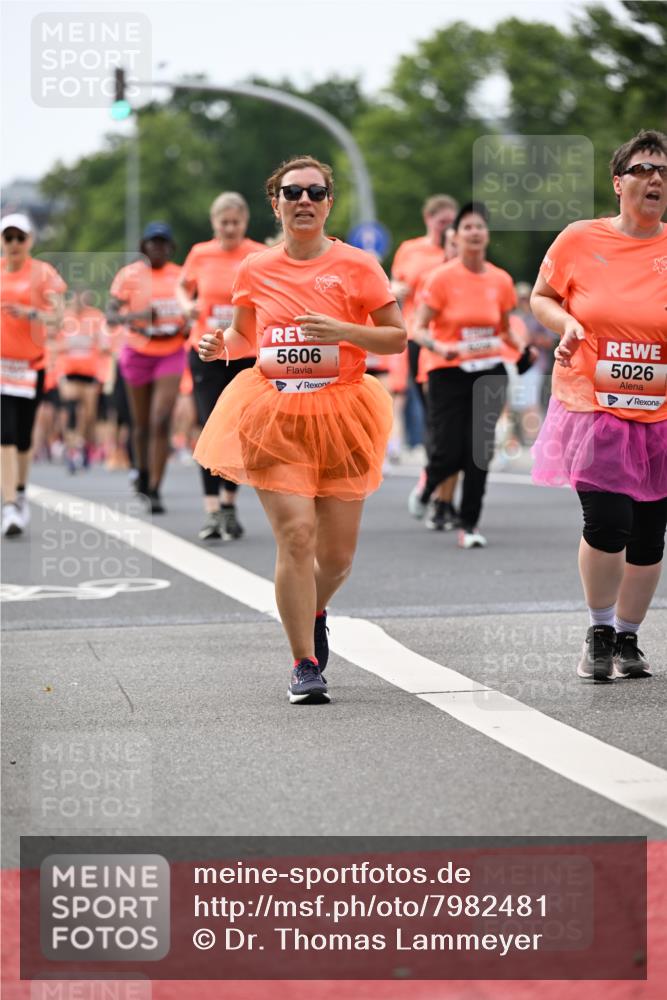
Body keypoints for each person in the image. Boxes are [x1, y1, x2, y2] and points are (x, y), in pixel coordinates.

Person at [194, 155, 405, 704]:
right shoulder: (256, 268)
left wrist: (341, 329)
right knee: (295, 536)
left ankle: (313, 608)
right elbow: (245, 338)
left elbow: (396, 338)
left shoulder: (358, 265)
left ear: (329, 202)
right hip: (274, 412)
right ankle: (304, 663)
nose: (304, 201)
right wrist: (221, 346)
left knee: (335, 559)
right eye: (293, 193)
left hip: (344, 412)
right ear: (276, 203)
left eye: (315, 192)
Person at [531, 128, 667, 683]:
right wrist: (566, 325)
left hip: (659, 412)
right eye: (641, 169)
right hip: (595, 405)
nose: (654, 178)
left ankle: (630, 638)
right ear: (617, 183)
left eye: (661, 171)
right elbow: (541, 296)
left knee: (650, 533)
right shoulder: (580, 239)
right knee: (608, 520)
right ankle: (600, 629)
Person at [412, 202, 524, 548]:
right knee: (448, 449)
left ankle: (469, 524)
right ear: (456, 237)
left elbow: (504, 330)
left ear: (487, 235)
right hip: (447, 370)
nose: (474, 232)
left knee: (479, 450)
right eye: (467, 228)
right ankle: (429, 487)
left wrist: (521, 349)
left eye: (480, 227)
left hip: (488, 372)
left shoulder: (500, 280)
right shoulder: (441, 278)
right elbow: (417, 328)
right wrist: (439, 346)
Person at [176, 192, 264, 540]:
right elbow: (182, 286)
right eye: (223, 223)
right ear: (214, 223)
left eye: (236, 223)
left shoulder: (257, 254)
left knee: (239, 430)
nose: (229, 228)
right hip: (206, 350)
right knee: (210, 426)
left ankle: (229, 505)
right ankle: (211, 509)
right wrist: (187, 305)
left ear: (245, 223)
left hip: (245, 351)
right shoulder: (200, 253)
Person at [107, 222, 188, 513]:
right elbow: (111, 315)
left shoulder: (181, 276)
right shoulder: (129, 276)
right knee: (140, 424)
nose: (158, 248)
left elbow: (193, 309)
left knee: (161, 419)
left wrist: (189, 321)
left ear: (171, 248)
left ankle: (155, 488)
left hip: (171, 351)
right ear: (144, 246)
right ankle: (141, 473)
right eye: (153, 243)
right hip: (138, 351)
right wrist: (142, 315)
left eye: (164, 243)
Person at [1, 213, 66, 536]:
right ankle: (10, 504)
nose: (13, 244)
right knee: (5, 434)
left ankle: (21, 492)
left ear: (30, 241)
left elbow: (58, 317)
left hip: (31, 367)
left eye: (19, 238)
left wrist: (31, 313)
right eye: (7, 237)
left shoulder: (43, 273)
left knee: (24, 437)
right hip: (1, 366)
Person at [55, 289, 109, 472]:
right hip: (69, 371)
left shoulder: (96, 317)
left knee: (89, 415)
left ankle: (83, 445)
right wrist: (71, 344)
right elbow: (52, 343)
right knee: (70, 409)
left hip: (90, 372)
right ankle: (71, 450)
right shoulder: (64, 318)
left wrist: (96, 342)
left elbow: (105, 345)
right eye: (74, 298)